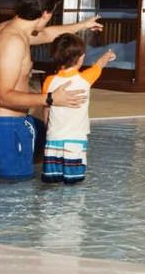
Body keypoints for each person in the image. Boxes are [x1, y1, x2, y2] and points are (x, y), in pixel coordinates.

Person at [0, 0, 103, 179]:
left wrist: (83, 25)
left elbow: (46, 34)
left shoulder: (8, 28)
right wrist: (51, 99)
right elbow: (3, 95)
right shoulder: (13, 42)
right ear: (46, 13)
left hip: (8, 123)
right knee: (15, 190)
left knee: (52, 135)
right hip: (4, 127)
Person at [40, 34, 115, 184]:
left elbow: (46, 110)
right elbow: (99, 65)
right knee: (74, 185)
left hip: (53, 139)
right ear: (81, 58)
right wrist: (107, 55)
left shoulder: (49, 81)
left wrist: (47, 129)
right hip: (76, 140)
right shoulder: (85, 78)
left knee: (52, 184)